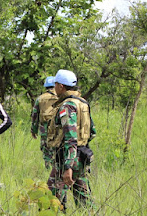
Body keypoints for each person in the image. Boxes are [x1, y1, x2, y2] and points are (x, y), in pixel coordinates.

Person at [46, 69, 96, 211]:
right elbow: (92, 132)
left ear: (61, 86)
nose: (54, 87)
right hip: (81, 155)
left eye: (55, 84)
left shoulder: (67, 106)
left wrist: (68, 166)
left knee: (51, 199)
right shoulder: (83, 103)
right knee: (84, 199)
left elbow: (70, 137)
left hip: (67, 159)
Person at [31, 76, 58, 169]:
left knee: (46, 150)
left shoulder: (40, 98)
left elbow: (35, 116)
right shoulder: (60, 97)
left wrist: (33, 130)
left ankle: (48, 168)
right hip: (57, 128)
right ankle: (57, 168)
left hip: (44, 128)